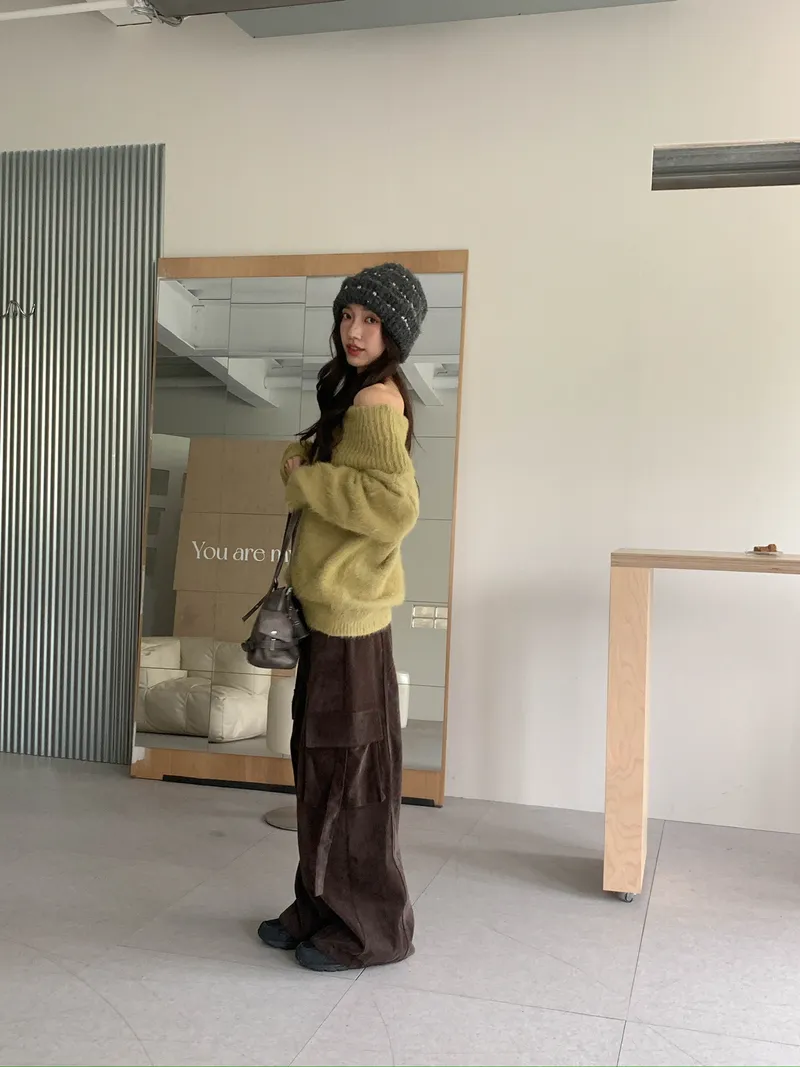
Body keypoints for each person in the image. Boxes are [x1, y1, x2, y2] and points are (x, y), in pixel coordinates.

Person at [257, 263, 428, 972]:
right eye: (348, 315)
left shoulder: (379, 399)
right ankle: (320, 905)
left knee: (350, 780)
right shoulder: (353, 393)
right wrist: (305, 463)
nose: (354, 331)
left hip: (353, 621)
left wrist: (310, 481)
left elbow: (395, 508)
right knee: (322, 768)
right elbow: (344, 479)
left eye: (371, 320)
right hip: (332, 615)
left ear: (394, 333)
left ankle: (369, 931)